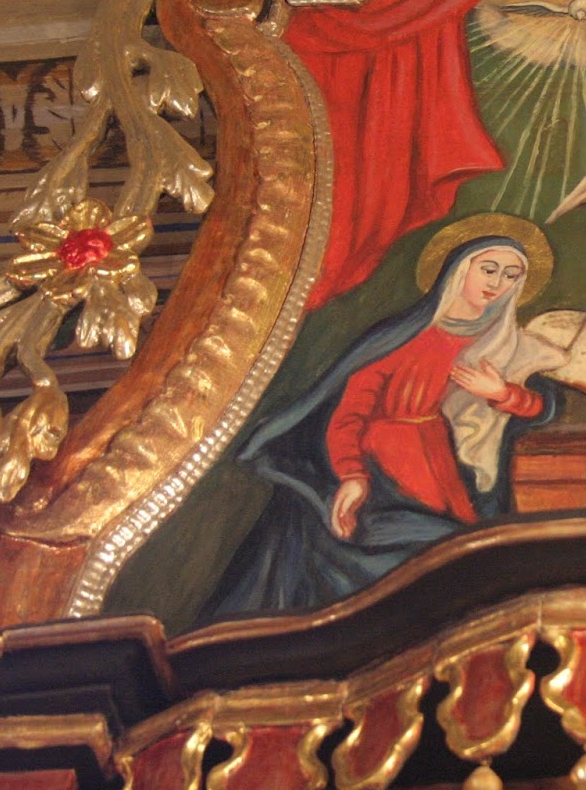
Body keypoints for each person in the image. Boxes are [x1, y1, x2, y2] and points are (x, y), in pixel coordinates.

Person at [205, 215, 565, 617]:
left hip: (452, 475)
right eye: (489, 269)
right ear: (460, 269)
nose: (497, 283)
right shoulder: (404, 335)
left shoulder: (506, 343)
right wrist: (353, 476)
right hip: (385, 472)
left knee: (462, 559)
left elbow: (544, 407)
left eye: (511, 276)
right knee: (411, 559)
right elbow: (350, 413)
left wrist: (502, 394)